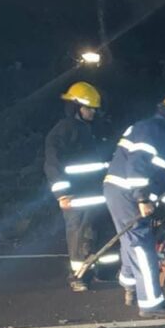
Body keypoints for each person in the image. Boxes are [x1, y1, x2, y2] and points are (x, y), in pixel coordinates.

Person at [104, 94, 165, 316]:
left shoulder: (159, 135)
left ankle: (129, 283)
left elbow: (163, 181)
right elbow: (136, 167)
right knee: (142, 246)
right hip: (126, 193)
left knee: (132, 240)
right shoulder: (153, 131)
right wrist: (142, 198)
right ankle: (151, 303)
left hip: (121, 192)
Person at [44, 81, 109, 292]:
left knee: (93, 235)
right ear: (75, 107)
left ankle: (94, 273)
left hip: (94, 194)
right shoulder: (64, 130)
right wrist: (63, 193)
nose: (92, 112)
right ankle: (78, 276)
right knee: (79, 236)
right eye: (88, 108)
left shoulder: (88, 131)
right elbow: (52, 163)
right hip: (76, 196)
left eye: (93, 108)